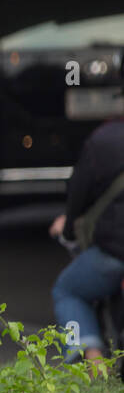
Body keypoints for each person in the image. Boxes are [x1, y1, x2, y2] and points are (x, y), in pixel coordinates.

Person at [50, 107, 124, 366]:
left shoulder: (102, 141)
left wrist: (69, 230)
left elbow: (76, 199)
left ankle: (93, 360)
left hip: (113, 253)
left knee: (67, 290)